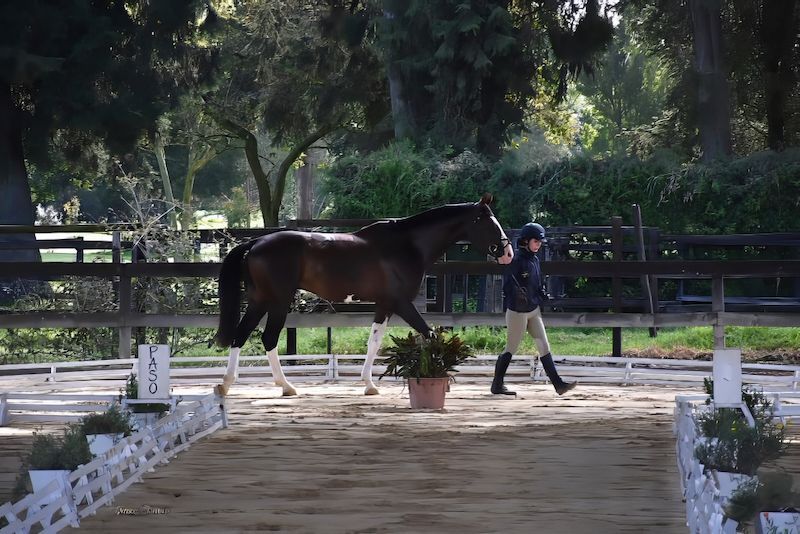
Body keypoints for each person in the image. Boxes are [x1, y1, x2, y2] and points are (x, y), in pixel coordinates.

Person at [491, 222, 576, 396]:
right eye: (536, 241)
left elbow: (536, 282)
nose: (539, 244)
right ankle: (497, 385)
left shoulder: (535, 260)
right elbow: (507, 286)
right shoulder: (515, 261)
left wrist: (541, 292)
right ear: (525, 241)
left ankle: (558, 384)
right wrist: (517, 295)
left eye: (540, 241)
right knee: (511, 348)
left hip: (533, 310)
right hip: (517, 312)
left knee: (544, 346)